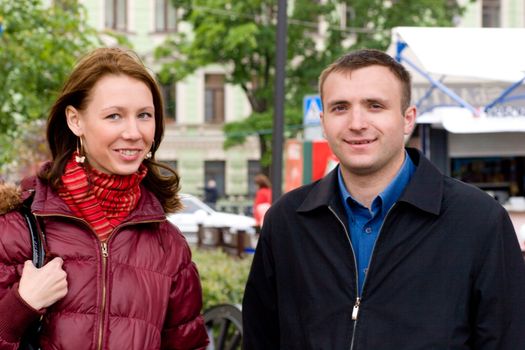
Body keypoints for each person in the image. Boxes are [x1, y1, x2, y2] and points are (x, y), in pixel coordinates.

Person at [242, 49, 525, 349]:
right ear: (323, 122)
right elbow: (261, 338)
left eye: (375, 106)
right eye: (340, 108)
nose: (357, 123)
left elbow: (508, 339)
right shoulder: (288, 221)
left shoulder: (478, 220)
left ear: (407, 119)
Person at [0, 48, 208, 349]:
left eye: (144, 116)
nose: (134, 132)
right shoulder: (14, 229)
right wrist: (21, 305)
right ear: (75, 121)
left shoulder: (169, 248)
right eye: (114, 116)